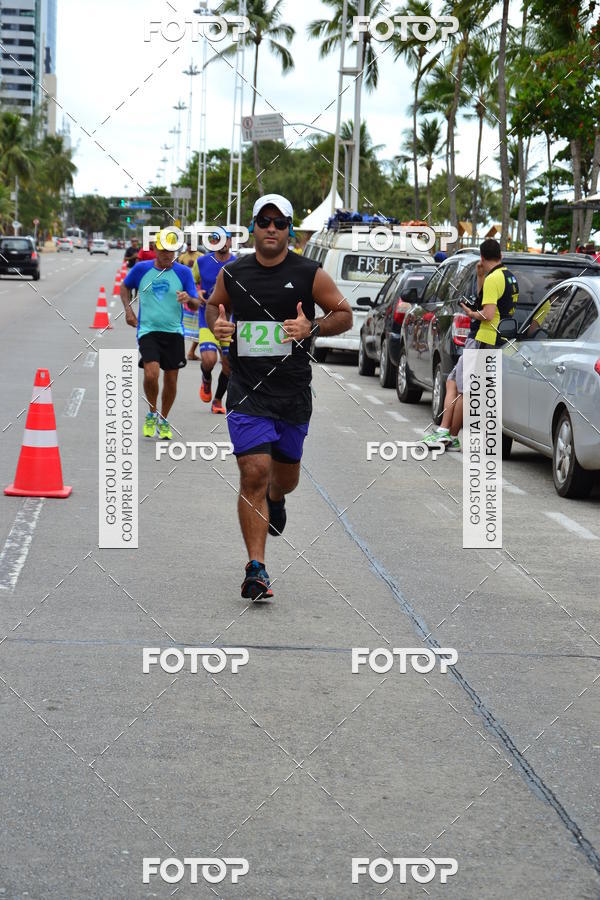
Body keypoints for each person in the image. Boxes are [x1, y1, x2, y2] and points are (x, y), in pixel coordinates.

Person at [206, 194, 353, 601]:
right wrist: (218, 328)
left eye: (280, 222)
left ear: (290, 228)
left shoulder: (310, 273)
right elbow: (214, 306)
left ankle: (276, 497)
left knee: (283, 479)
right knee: (253, 472)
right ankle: (257, 568)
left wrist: (313, 327)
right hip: (246, 391)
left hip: (292, 394)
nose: (272, 228)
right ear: (253, 226)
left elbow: (344, 315)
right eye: (264, 221)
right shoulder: (233, 273)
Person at [422, 239, 518, 450]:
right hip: (491, 340)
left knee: (465, 391)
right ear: (500, 255)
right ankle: (446, 431)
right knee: (452, 382)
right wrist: (481, 276)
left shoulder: (495, 279)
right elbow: (488, 299)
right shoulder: (508, 277)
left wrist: (471, 313)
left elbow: (488, 313)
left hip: (484, 339)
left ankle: (450, 435)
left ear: (482, 258)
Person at [120, 228, 199, 440]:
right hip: (148, 330)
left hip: (174, 332)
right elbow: (124, 287)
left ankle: (164, 419)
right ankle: (152, 413)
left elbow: (196, 301)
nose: (167, 255)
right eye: (164, 250)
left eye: (171, 251)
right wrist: (128, 310)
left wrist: (188, 299)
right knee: (151, 374)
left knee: (171, 380)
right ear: (155, 249)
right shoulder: (141, 269)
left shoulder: (183, 272)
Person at [193, 231, 236, 413]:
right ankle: (206, 378)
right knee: (209, 360)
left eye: (225, 238)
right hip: (207, 318)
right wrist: (197, 292)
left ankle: (217, 400)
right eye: (217, 239)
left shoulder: (237, 264)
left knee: (228, 364)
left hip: (229, 320)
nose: (222, 243)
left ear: (230, 241)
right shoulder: (202, 262)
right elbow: (191, 283)